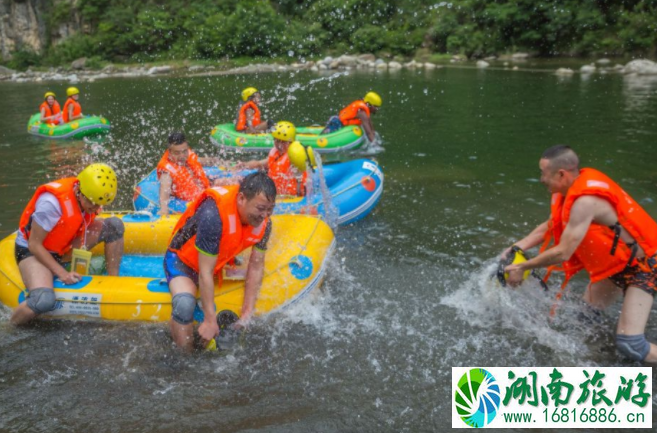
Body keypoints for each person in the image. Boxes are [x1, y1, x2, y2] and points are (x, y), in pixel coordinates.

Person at [503, 145, 657, 363]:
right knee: (585, 318)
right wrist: (517, 247)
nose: (541, 179)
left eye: (543, 173)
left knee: (631, 345)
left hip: (646, 265)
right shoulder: (567, 194)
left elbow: (564, 252)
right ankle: (598, 367)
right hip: (620, 263)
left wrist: (522, 267)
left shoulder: (586, 202)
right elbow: (552, 224)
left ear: (561, 174)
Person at [164, 171, 276, 351]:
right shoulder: (213, 215)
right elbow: (205, 272)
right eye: (260, 208)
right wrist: (210, 320)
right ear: (241, 199)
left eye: (270, 209)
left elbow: (255, 266)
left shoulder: (265, 223)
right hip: (182, 261)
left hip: (216, 262)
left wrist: (247, 314)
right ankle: (184, 359)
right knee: (184, 305)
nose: (265, 215)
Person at [10, 163, 125, 325]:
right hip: (34, 252)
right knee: (43, 300)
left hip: (63, 246)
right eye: (92, 203)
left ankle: (115, 282)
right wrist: (63, 274)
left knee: (114, 225)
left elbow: (79, 223)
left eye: (100, 205)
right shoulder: (51, 204)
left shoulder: (88, 194)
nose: (96, 208)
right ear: (80, 192)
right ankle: (8, 327)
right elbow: (34, 245)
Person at [157, 132, 233, 216]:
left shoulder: (187, 155)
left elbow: (198, 160)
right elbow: (164, 191)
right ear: (170, 152)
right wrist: (164, 212)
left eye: (184, 151)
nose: (182, 156)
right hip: (194, 199)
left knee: (231, 181)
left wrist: (220, 162)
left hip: (204, 187)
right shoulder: (167, 172)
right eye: (177, 153)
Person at [239, 121, 307, 196]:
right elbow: (259, 164)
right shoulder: (276, 153)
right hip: (273, 192)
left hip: (289, 196)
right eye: (277, 141)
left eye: (283, 142)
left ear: (291, 142)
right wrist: (244, 165)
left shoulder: (295, 157)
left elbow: (300, 189)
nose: (279, 145)